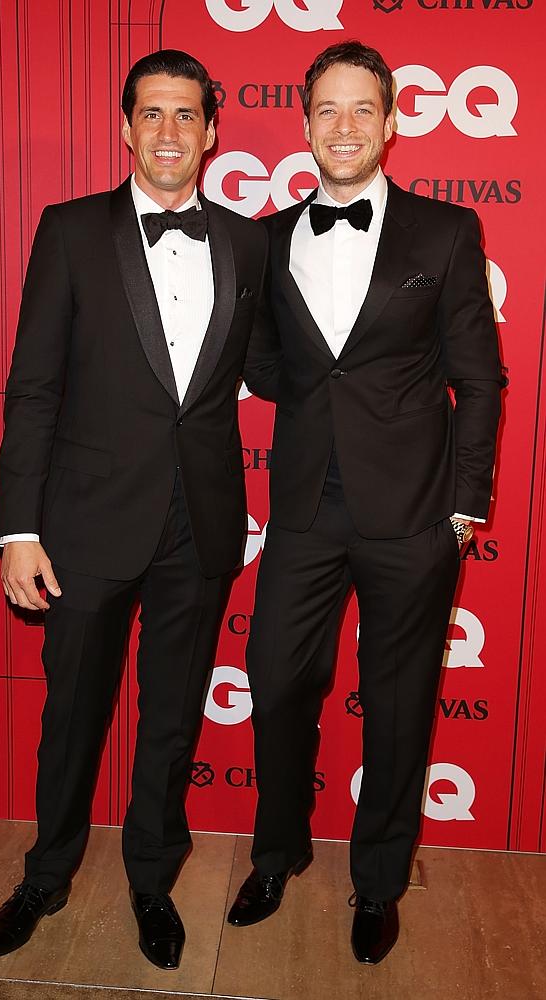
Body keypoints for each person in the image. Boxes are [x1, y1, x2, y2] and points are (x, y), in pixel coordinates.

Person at [0, 48, 267, 971]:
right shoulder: (68, 230)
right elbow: (33, 387)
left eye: (188, 116)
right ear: (125, 126)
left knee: (173, 717)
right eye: (153, 114)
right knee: (73, 714)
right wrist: (18, 528)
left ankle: (152, 878)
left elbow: (285, 371)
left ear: (212, 130)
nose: (170, 133)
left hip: (202, 522)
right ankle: (46, 876)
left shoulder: (249, 241)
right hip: (87, 523)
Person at [230, 40, 504, 965]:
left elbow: (481, 379)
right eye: (325, 111)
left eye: (362, 110)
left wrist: (465, 503)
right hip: (303, 508)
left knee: (396, 703)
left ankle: (379, 880)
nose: (343, 127)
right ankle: (276, 854)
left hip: (415, 514)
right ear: (304, 124)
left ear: (391, 124)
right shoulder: (265, 240)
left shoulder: (446, 232)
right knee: (275, 685)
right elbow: (265, 362)